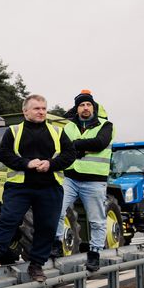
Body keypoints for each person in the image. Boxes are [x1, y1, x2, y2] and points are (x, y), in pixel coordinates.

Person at [0, 94, 76, 282]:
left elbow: (70, 154)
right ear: (25, 111)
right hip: (19, 187)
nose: (41, 112)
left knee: (46, 227)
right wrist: (27, 164)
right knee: (8, 220)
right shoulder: (13, 131)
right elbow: (4, 155)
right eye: (37, 108)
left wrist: (51, 164)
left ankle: (36, 265)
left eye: (44, 108)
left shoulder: (57, 132)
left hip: (50, 187)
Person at [52, 90, 114, 272]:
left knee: (97, 221)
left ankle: (94, 254)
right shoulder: (68, 127)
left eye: (88, 105)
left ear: (93, 107)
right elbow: (63, 147)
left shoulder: (106, 125)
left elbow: (99, 143)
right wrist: (81, 146)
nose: (85, 108)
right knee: (56, 210)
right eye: (82, 105)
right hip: (70, 178)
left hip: (94, 181)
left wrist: (75, 144)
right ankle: (56, 244)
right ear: (77, 108)